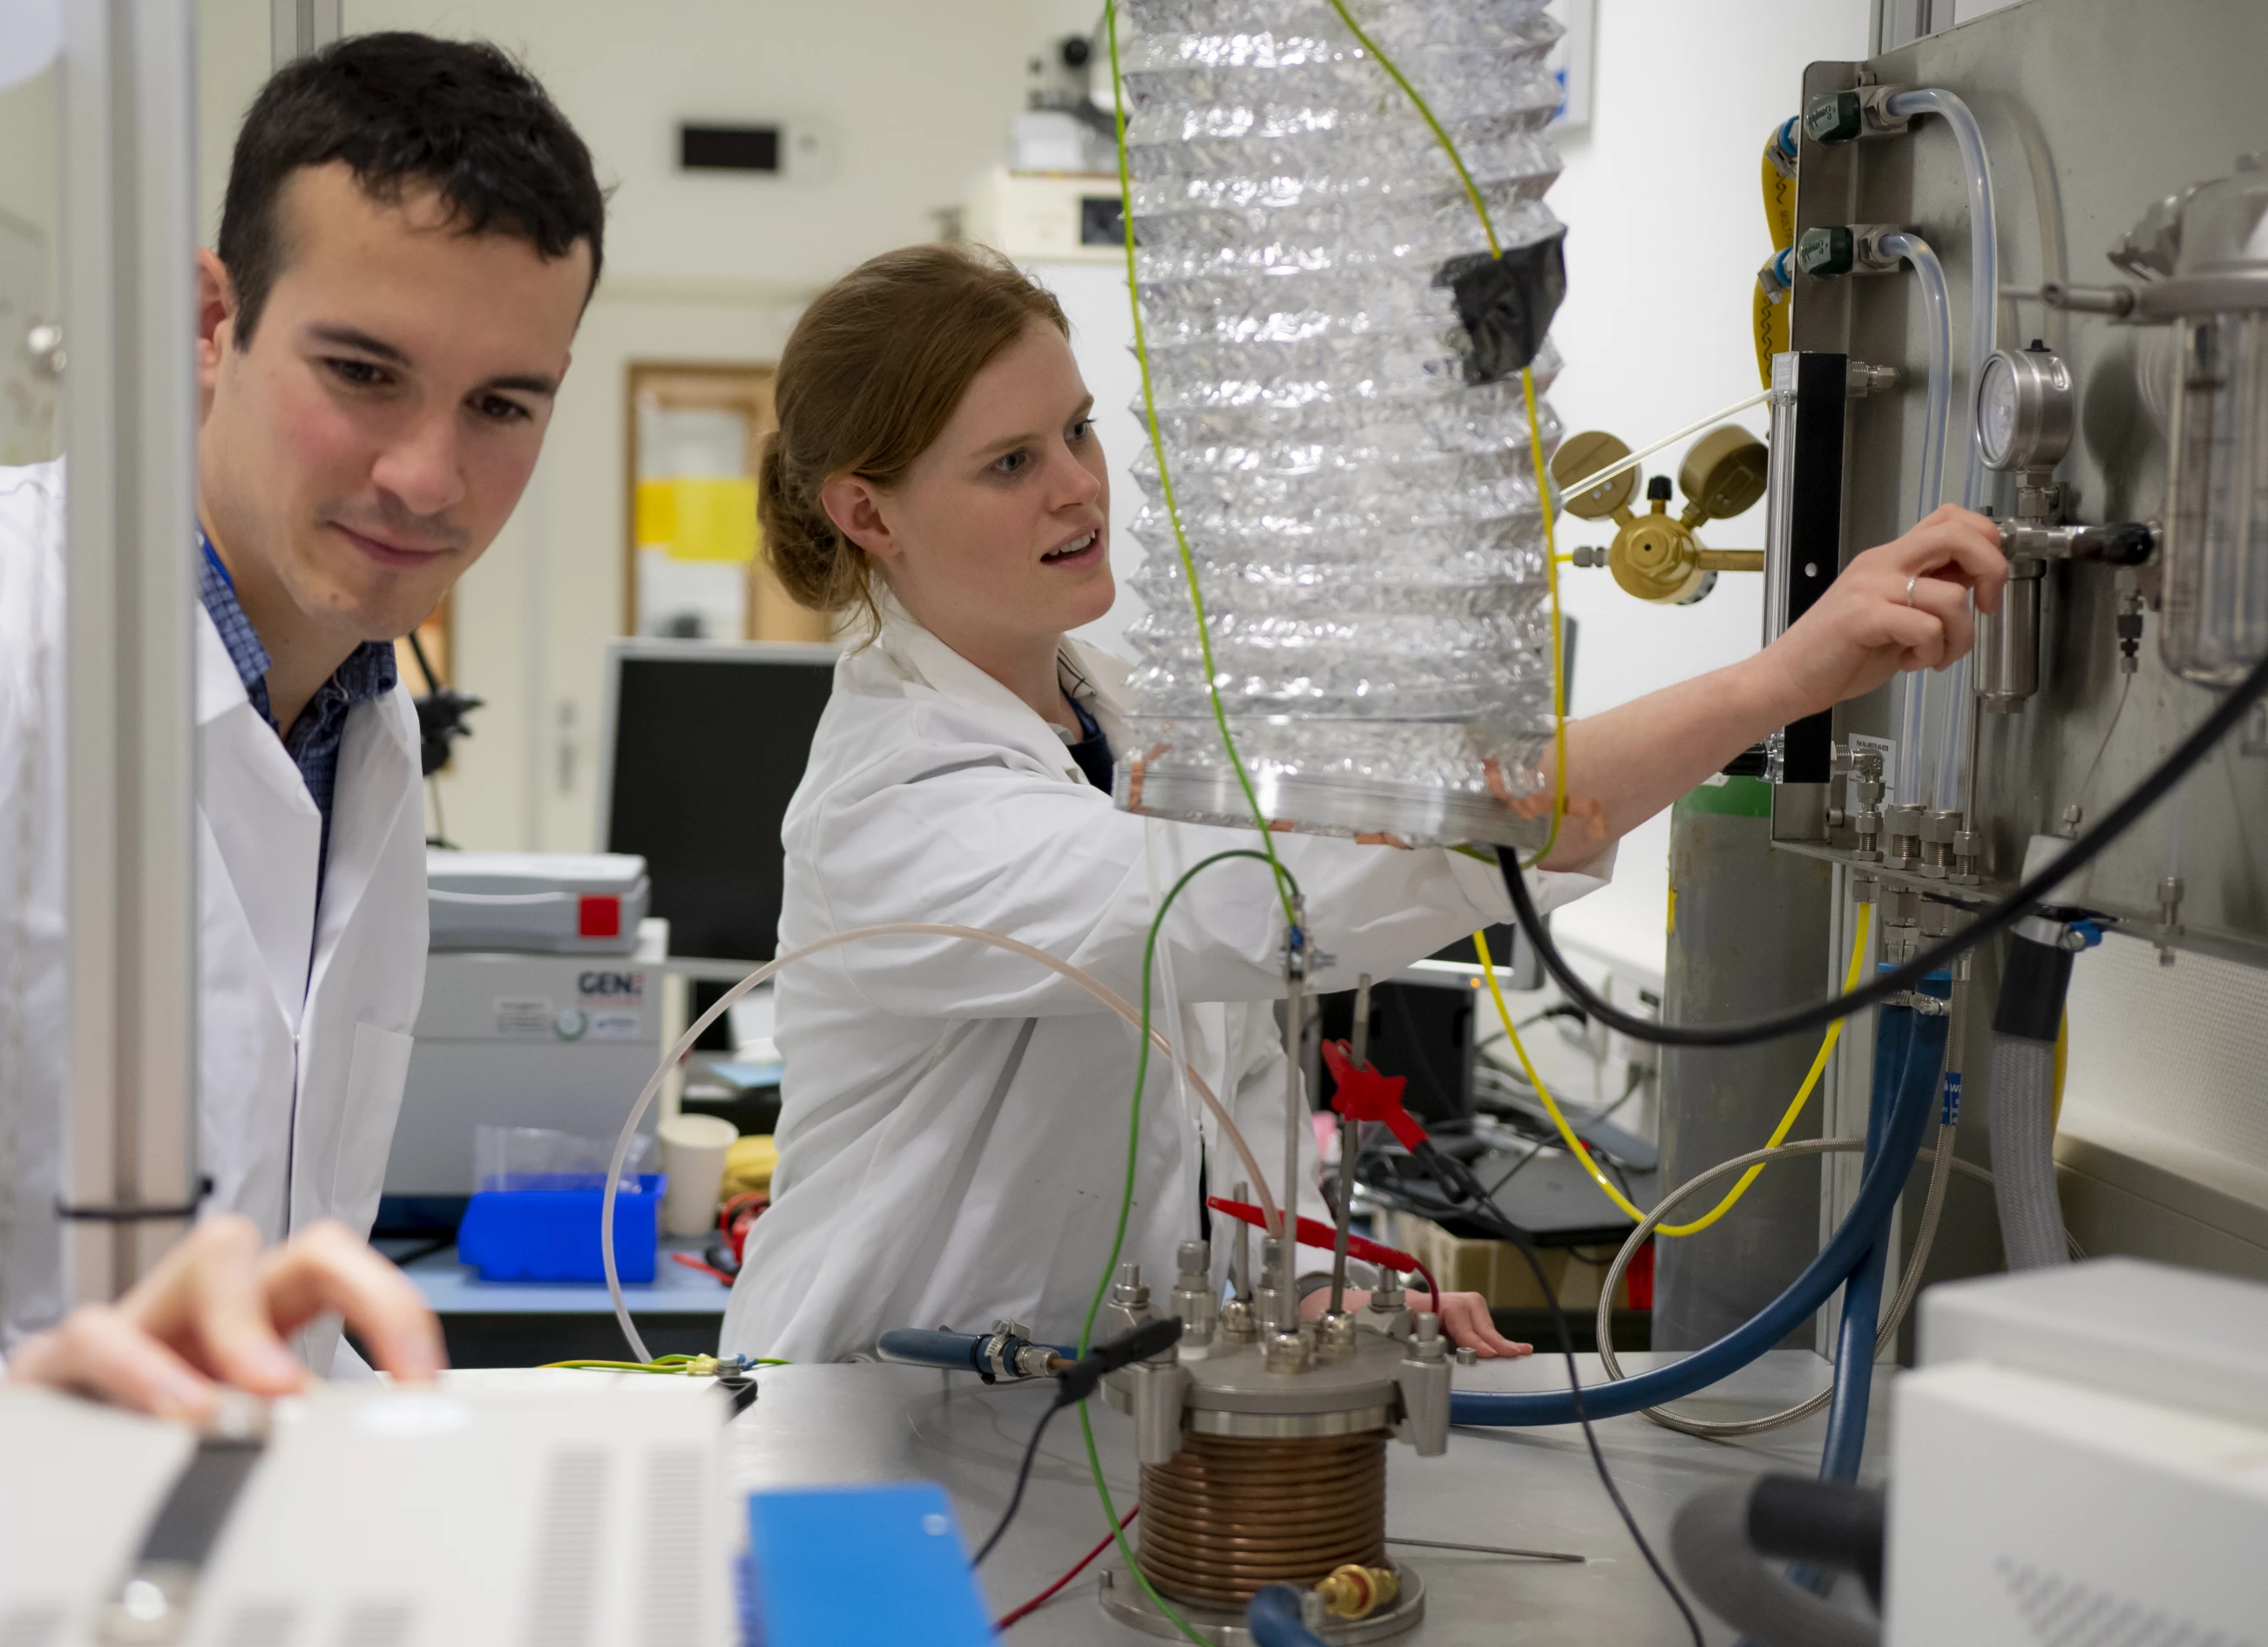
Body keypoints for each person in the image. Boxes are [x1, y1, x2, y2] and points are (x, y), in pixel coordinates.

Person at [718, 245, 2006, 1366]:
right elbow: (1250, 911)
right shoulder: (897, 801)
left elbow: (1229, 1070)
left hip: (1069, 1411)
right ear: (866, 511)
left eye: (1080, 427)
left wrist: (1314, 1269)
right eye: (1009, 462)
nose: (1078, 486)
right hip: (868, 1406)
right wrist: (1789, 678)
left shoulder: (1123, 717)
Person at [0, 33, 603, 1418]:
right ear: (213, 323)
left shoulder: (361, 728)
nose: (426, 476)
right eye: (364, 372)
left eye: (502, 405)